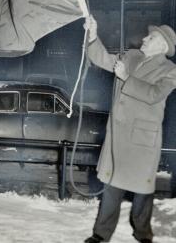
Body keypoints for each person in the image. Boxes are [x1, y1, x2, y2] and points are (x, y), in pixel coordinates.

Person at [84, 15, 176, 243]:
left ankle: (143, 234)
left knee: (142, 192)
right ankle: (101, 234)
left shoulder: (169, 70)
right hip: (119, 134)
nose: (145, 38)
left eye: (151, 37)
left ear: (163, 46)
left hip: (143, 138)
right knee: (112, 186)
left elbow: (154, 95)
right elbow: (103, 59)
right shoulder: (131, 57)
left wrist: (126, 78)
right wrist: (93, 35)